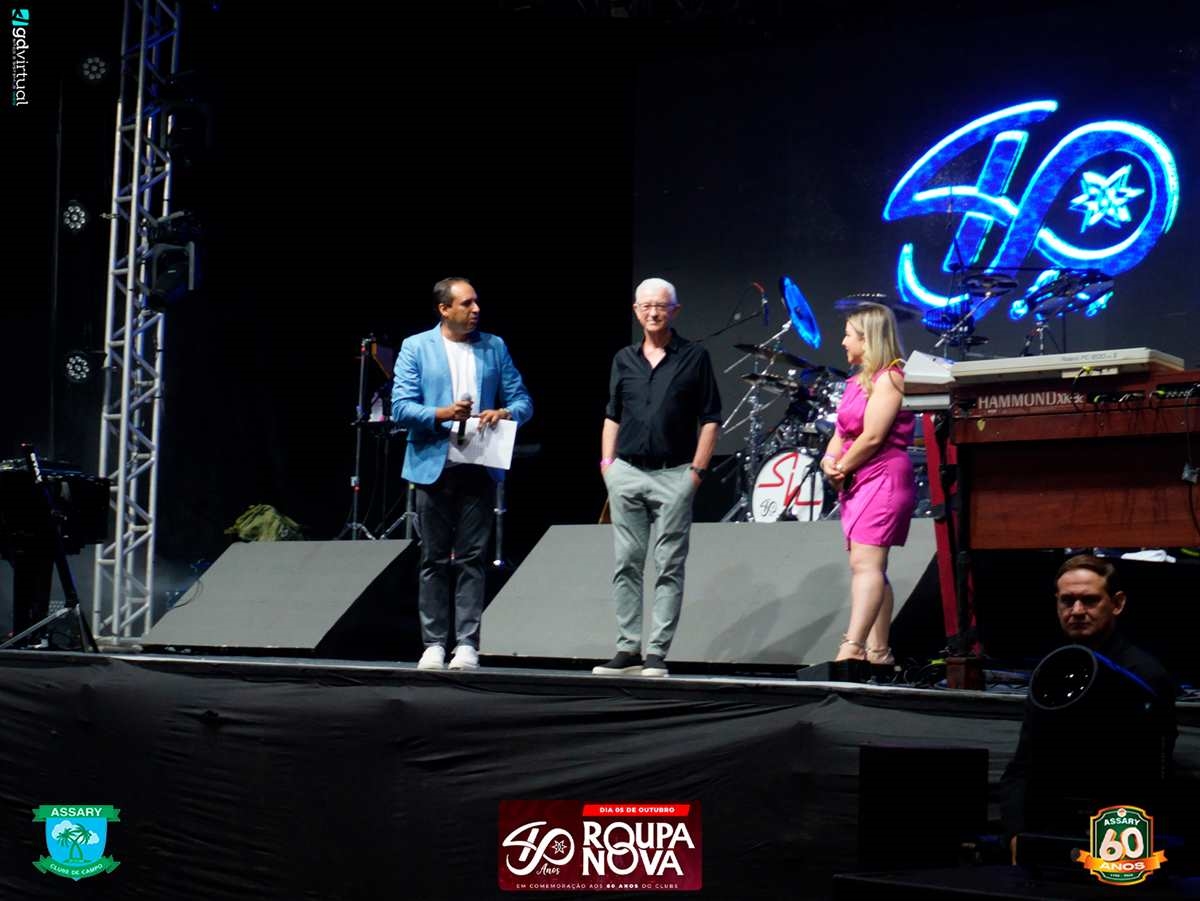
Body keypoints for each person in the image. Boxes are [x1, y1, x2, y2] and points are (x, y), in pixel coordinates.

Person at [392, 277, 532, 671]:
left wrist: (504, 412)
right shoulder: (417, 347)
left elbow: (523, 400)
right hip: (433, 466)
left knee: (472, 558)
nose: (476, 310)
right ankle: (434, 643)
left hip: (479, 465)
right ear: (444, 309)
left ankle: (467, 643)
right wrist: (442, 413)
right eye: (467, 304)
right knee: (433, 559)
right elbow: (401, 406)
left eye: (476, 303)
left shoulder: (493, 346)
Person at [1001, 554, 1177, 858]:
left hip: (1117, 835)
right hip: (1051, 829)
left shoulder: (1143, 675)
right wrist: (1015, 835)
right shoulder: (1053, 669)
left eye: (1090, 600)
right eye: (1067, 601)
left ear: (1117, 603)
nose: (1077, 611)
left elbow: (1147, 778)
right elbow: (1022, 766)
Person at [593, 278, 721, 678]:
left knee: (668, 565)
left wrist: (696, 473)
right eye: (646, 306)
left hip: (675, 474)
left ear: (674, 311)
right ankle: (627, 648)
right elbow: (613, 414)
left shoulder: (694, 357)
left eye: (661, 306)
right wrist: (608, 466)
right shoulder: (624, 359)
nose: (653, 312)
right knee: (626, 563)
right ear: (636, 310)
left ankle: (656, 653)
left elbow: (711, 418)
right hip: (627, 473)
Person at [819, 302, 915, 665]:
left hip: (882, 478)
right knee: (869, 566)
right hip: (858, 479)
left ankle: (852, 647)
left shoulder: (890, 378)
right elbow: (841, 433)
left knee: (867, 565)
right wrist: (829, 461)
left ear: (868, 338)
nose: (843, 342)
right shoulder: (855, 382)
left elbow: (873, 436)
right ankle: (879, 651)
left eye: (848, 335)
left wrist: (842, 466)